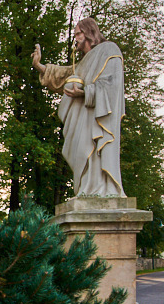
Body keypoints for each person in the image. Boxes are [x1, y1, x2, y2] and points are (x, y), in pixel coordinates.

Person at [32, 18, 125, 197]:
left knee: (95, 152)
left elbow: (112, 85)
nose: (75, 38)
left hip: (99, 117)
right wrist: (39, 66)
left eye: (78, 34)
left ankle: (101, 190)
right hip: (85, 117)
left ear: (90, 32)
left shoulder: (109, 50)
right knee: (82, 152)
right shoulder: (83, 62)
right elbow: (65, 75)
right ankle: (87, 190)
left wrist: (85, 93)